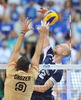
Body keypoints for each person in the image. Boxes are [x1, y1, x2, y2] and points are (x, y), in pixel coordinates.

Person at [4, 18, 49, 100]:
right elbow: (37, 54)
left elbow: (15, 51)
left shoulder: (11, 73)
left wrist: (22, 32)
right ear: (29, 67)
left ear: (16, 66)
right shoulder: (31, 76)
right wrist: (42, 35)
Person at [31, 9, 70, 100]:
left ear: (64, 53)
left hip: (44, 97)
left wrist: (28, 86)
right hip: (33, 94)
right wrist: (47, 18)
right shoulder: (49, 54)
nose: (57, 46)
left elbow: (44, 88)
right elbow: (45, 36)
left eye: (60, 46)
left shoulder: (59, 70)